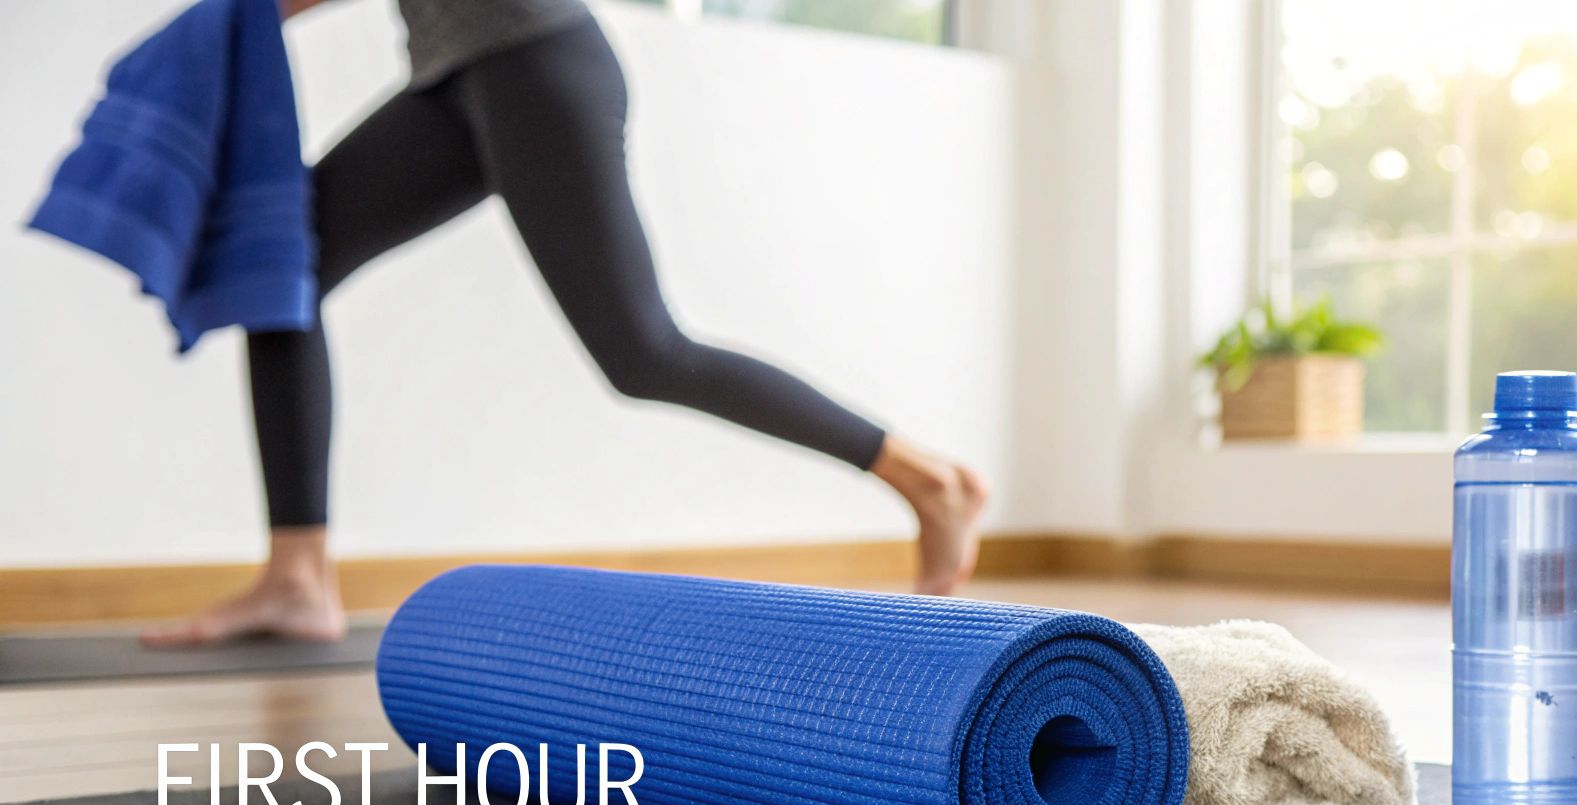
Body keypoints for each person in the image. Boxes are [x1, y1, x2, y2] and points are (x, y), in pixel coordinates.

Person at [144, 0, 987, 646]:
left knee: (644, 354)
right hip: (455, 75)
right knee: (282, 265)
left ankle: (922, 476)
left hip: (534, 56)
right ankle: (297, 575)